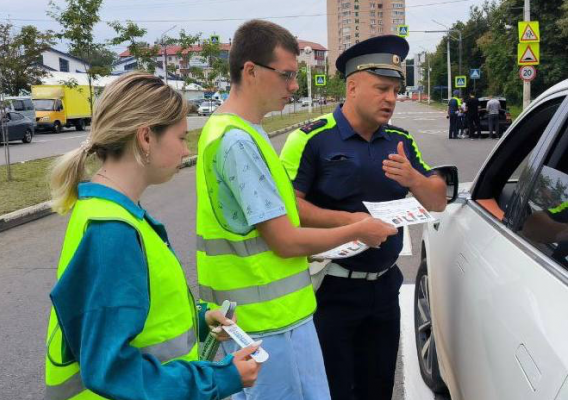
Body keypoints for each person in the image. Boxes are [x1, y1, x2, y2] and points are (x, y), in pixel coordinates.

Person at [195, 20, 398, 400]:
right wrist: (358, 230)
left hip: (261, 320)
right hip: (269, 325)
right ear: (251, 71)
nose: (293, 86)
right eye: (286, 75)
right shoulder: (237, 141)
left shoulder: (233, 130)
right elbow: (284, 241)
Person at [45, 72, 262, 400]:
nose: (186, 151)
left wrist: (202, 318)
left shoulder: (107, 212)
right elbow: (111, 368)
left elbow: (137, 318)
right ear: (146, 138)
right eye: (180, 137)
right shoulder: (113, 232)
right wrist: (220, 377)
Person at [280, 35, 448, 400]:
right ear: (352, 86)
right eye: (382, 88)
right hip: (330, 289)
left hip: (384, 287)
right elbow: (289, 207)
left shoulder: (399, 140)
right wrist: (352, 226)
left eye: (395, 90)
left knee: (378, 388)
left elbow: (437, 199)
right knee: (333, 390)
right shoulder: (311, 138)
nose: (391, 99)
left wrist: (413, 178)